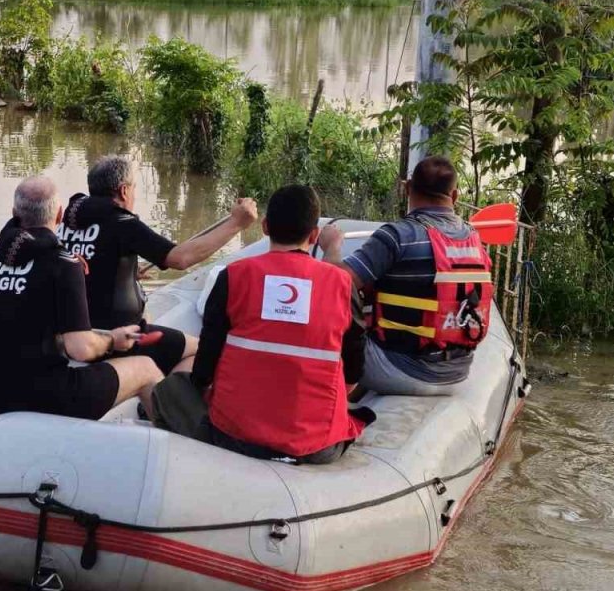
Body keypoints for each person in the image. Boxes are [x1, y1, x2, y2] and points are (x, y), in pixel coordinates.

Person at [153, 185, 372, 464]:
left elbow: (205, 365)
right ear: (315, 235)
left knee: (172, 388)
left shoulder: (233, 276)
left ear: (265, 227)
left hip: (234, 435)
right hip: (316, 444)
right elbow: (355, 367)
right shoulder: (342, 284)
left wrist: (206, 387)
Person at [0, 176, 164, 422]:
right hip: (43, 396)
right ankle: (177, 451)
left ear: (14, 213)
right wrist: (113, 339)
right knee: (146, 369)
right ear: (60, 215)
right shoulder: (63, 263)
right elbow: (81, 348)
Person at [57, 154, 258, 374]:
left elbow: (80, 263)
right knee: (201, 349)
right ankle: (165, 399)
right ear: (124, 190)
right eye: (134, 188)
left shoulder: (68, 221)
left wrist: (123, 272)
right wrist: (236, 224)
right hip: (115, 336)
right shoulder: (122, 223)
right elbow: (180, 258)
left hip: (73, 333)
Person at [318, 155, 494, 397]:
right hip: (458, 374)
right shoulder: (475, 240)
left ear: (408, 189)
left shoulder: (397, 235)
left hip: (399, 370)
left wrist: (332, 247)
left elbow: (334, 284)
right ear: (454, 197)